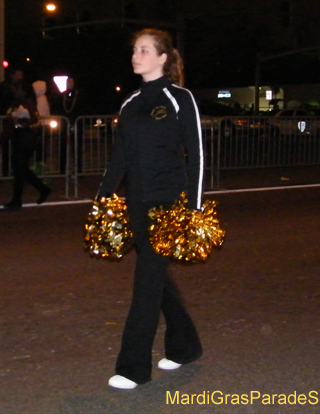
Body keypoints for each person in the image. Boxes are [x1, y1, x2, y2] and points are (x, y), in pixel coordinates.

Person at [96, 28, 204, 389]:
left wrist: (195, 206)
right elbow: (120, 158)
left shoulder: (179, 98)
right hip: (137, 201)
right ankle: (185, 346)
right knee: (157, 279)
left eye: (144, 50)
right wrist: (103, 198)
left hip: (170, 202)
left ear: (162, 58)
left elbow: (197, 153)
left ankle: (133, 368)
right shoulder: (130, 102)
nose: (136, 55)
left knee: (145, 282)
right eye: (134, 50)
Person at [1, 80, 51, 211]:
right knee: (21, 170)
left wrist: (21, 122)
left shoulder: (27, 103)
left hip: (25, 139)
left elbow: (34, 121)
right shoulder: (20, 102)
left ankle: (18, 200)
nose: (14, 90)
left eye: (16, 88)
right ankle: (41, 190)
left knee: (20, 170)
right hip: (22, 138)